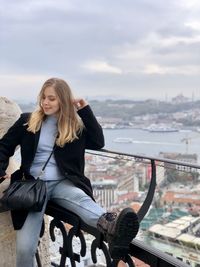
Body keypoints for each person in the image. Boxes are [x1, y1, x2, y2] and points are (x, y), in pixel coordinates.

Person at [0, 78, 139, 267]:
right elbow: (4, 146)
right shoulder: (28, 121)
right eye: (43, 98)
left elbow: (98, 142)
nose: (45, 103)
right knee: (25, 249)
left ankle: (111, 225)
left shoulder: (74, 126)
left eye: (52, 99)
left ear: (63, 101)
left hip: (61, 183)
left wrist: (85, 109)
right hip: (32, 186)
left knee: (80, 198)